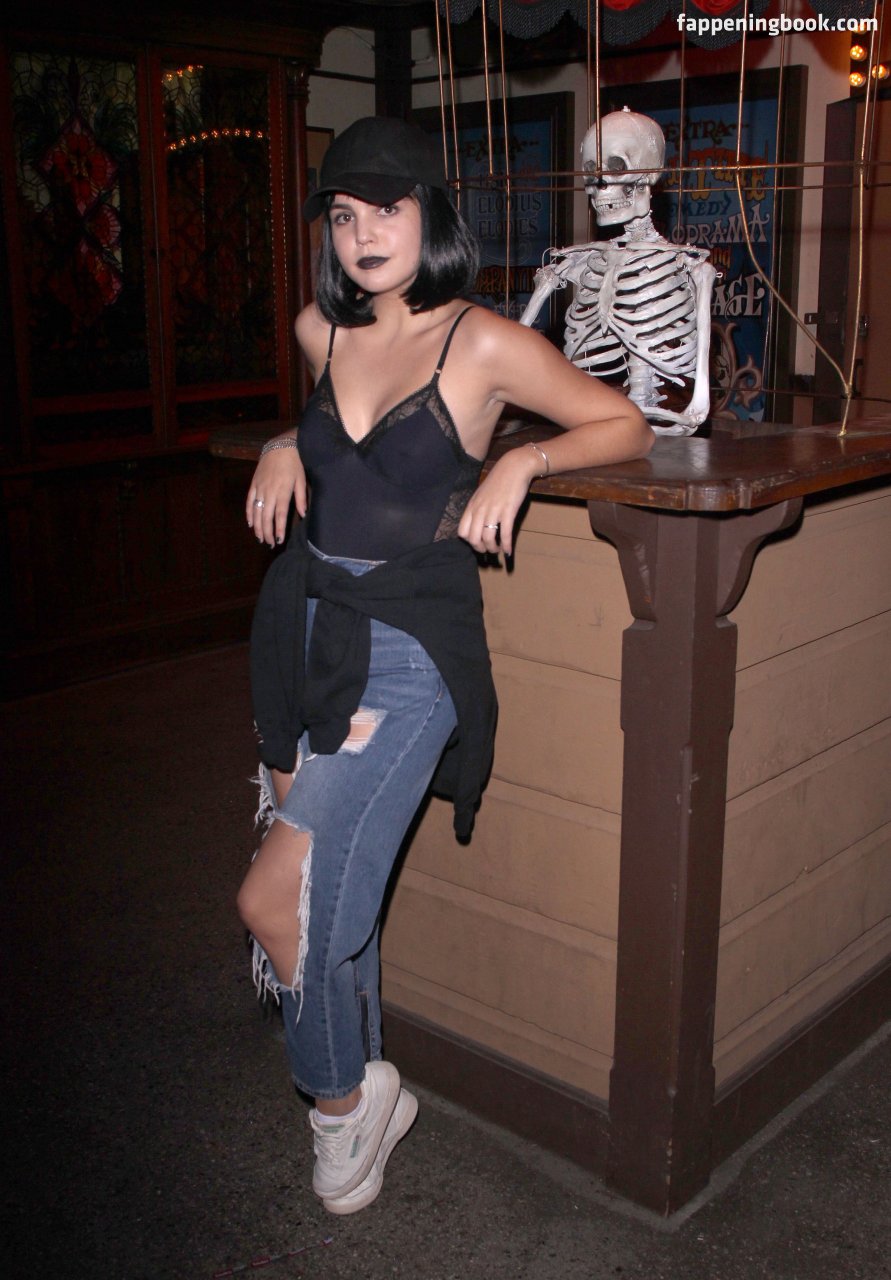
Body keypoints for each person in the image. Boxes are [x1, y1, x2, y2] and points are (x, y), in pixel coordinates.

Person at [236, 116, 653, 1216]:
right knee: (340, 901)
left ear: (431, 214)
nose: (364, 233)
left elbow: (624, 422)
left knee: (280, 899)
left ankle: (343, 1103)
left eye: (388, 208)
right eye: (343, 214)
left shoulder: (481, 343)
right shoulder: (319, 330)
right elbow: (334, 443)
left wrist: (524, 457)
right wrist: (283, 441)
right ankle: (360, 1076)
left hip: (408, 655)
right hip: (307, 635)